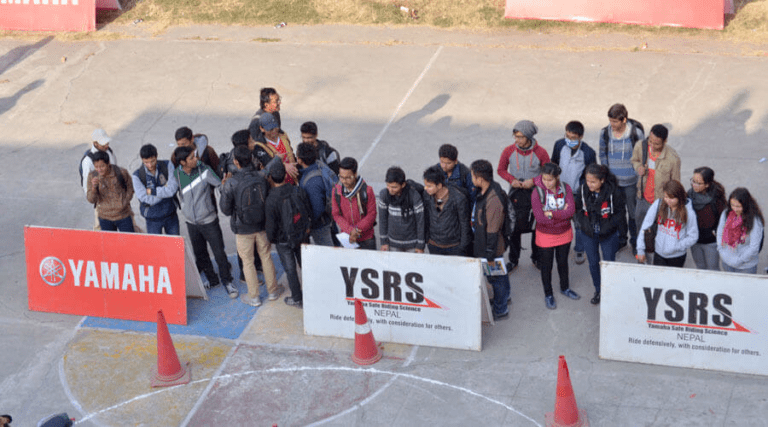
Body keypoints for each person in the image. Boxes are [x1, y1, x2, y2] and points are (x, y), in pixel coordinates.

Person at [220, 145, 283, 306]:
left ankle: (254, 296)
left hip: (242, 228)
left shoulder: (231, 183)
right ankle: (273, 291)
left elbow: (225, 210)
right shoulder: (260, 176)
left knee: (247, 261)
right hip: (262, 225)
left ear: (235, 162)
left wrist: (223, 187)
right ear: (251, 159)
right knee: (266, 256)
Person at [171, 145, 237, 296]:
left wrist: (225, 183)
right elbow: (173, 191)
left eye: (195, 156)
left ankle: (227, 281)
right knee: (200, 254)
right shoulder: (176, 174)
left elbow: (219, 186)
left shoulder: (204, 170)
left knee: (219, 252)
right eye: (192, 158)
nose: (196, 159)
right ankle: (212, 280)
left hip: (209, 220)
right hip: (191, 222)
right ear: (182, 162)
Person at [498, 120, 550, 271]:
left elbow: (549, 174)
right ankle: (513, 259)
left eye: (520, 137)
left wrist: (534, 181)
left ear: (528, 136)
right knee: (514, 228)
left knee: (536, 227)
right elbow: (501, 170)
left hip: (535, 195)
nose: (517, 140)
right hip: (515, 194)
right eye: (515, 136)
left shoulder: (541, 153)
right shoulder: (508, 151)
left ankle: (536, 257)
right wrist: (511, 180)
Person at [573, 164, 625, 305]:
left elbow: (620, 213)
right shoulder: (583, 190)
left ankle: (610, 289)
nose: (589, 184)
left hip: (608, 234)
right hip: (588, 234)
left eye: (593, 182)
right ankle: (598, 290)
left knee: (608, 263)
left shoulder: (613, 192)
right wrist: (583, 225)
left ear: (602, 180)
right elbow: (577, 209)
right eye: (587, 180)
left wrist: (609, 228)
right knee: (593, 263)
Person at [531, 163, 579, 309]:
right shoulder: (537, 192)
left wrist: (551, 214)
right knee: (547, 266)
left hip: (564, 233)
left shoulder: (566, 188)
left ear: (557, 178)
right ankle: (548, 294)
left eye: (550, 180)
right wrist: (561, 215)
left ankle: (565, 288)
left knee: (562, 262)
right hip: (545, 235)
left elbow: (570, 211)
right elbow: (540, 218)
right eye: (544, 179)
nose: (547, 183)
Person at [599, 104, 644, 254]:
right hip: (614, 183)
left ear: (624, 119)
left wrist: (639, 180)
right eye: (610, 121)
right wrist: (606, 175)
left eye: (615, 122)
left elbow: (641, 157)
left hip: (631, 182)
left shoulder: (635, 133)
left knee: (633, 214)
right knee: (617, 213)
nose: (612, 125)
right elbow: (603, 154)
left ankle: (635, 242)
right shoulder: (605, 133)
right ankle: (621, 240)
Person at [265, 161, 311, 308]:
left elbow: (270, 226)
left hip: (284, 240)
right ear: (286, 175)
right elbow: (308, 209)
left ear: (271, 177)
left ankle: (297, 298)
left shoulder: (271, 199)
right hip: (302, 234)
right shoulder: (297, 190)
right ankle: (313, 292)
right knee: (306, 265)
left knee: (290, 270)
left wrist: (273, 239)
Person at [551, 121, 597, 264]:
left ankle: (579, 250)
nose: (570, 140)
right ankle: (558, 246)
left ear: (581, 136)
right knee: (558, 220)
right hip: (560, 191)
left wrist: (583, 191)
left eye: (573, 138)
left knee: (578, 224)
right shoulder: (559, 145)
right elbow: (554, 164)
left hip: (577, 194)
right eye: (567, 136)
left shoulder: (588, 153)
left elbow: (591, 175)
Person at [470, 160, 510, 320]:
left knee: (496, 278)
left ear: (480, 179)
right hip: (488, 246)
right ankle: (505, 297)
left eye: (473, 176)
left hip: (491, 248)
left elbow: (492, 231)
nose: (472, 179)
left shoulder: (492, 199)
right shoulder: (486, 190)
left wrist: (489, 255)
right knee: (501, 274)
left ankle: (501, 309)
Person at [631, 124, 681, 244]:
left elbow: (675, 184)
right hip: (642, 198)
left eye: (657, 144)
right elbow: (634, 160)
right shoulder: (640, 146)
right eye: (650, 141)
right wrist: (639, 168)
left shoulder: (673, 159)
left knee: (659, 233)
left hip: (661, 203)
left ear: (665, 141)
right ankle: (641, 251)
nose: (652, 146)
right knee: (641, 229)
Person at [636, 180, 698, 267]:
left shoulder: (689, 212)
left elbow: (693, 236)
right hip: (658, 253)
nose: (668, 200)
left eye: (671, 198)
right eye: (665, 197)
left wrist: (677, 246)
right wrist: (640, 249)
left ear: (679, 197)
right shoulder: (658, 204)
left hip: (677, 256)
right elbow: (645, 226)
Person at [422, 165, 471, 256]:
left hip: (454, 246)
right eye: (425, 185)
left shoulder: (458, 198)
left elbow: (464, 224)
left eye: (429, 186)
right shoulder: (426, 195)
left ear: (439, 185)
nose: (426, 188)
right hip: (434, 244)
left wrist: (462, 247)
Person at [132, 144, 180, 235]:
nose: (150, 165)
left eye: (152, 161)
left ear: (156, 156)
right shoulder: (137, 176)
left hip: (171, 215)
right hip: (152, 218)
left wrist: (152, 192)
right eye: (146, 162)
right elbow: (146, 199)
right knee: (156, 247)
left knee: (174, 245)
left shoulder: (168, 165)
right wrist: (165, 192)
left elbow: (172, 189)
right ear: (142, 159)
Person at [332, 157, 377, 250]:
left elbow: (371, 214)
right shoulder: (336, 191)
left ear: (355, 174)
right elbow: (336, 214)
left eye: (348, 177)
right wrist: (350, 231)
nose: (344, 181)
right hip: (347, 238)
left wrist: (356, 230)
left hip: (366, 238)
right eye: (341, 177)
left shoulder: (367, 191)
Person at [378, 166, 426, 253]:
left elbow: (420, 221)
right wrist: (384, 241)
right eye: (388, 186)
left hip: (412, 244)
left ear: (403, 185)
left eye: (394, 187)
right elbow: (382, 219)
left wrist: (420, 244)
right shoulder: (384, 195)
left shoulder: (414, 196)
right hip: (393, 244)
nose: (390, 189)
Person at [717, 188, 764, 274]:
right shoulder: (726, 213)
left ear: (746, 205)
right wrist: (721, 251)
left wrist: (738, 261)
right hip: (727, 262)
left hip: (746, 266)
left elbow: (754, 247)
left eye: (738, 206)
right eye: (732, 205)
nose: (734, 209)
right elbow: (720, 233)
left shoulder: (755, 221)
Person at [297, 143, 336, 246]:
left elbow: (317, 208)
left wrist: (309, 225)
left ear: (300, 159)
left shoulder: (311, 182)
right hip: (326, 218)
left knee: (326, 250)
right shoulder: (318, 166)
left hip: (320, 224)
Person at [688, 167, 727, 271]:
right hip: (695, 241)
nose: (694, 185)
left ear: (707, 184)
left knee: (712, 269)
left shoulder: (716, 199)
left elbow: (723, 221)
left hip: (711, 242)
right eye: (693, 181)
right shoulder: (689, 195)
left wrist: (716, 234)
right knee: (700, 268)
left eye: (698, 183)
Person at [86, 151, 135, 232]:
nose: (99, 169)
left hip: (123, 216)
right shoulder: (92, 176)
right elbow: (91, 200)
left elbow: (130, 188)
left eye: (102, 166)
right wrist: (94, 187)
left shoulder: (121, 172)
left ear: (108, 163)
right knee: (109, 244)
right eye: (96, 167)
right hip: (105, 218)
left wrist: (124, 202)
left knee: (129, 242)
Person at [250, 112, 298, 184]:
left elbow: (291, 152)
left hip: (293, 181)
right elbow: (267, 163)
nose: (274, 131)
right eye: (270, 129)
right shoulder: (259, 145)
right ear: (262, 128)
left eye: (275, 127)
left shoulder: (283, 135)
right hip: (276, 185)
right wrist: (285, 166)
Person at [80, 128, 117, 195]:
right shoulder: (87, 161)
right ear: (95, 143)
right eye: (103, 144)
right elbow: (86, 184)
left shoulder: (109, 151)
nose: (106, 145)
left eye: (107, 143)